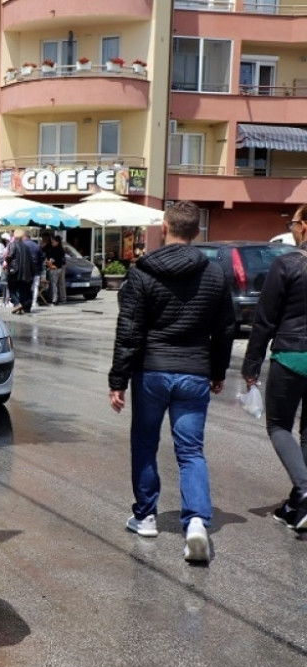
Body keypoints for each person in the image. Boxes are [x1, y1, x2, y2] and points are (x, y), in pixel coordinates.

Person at [108, 200, 235, 564]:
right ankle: (196, 521)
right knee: (191, 451)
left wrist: (118, 379)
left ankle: (146, 516)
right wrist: (217, 371)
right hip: (194, 372)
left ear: (165, 227)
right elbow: (225, 329)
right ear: (197, 232)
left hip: (151, 372)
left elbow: (129, 331)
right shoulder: (214, 274)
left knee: (145, 443)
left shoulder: (142, 272)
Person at [242, 204, 307, 530]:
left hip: (293, 354)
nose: (291, 228)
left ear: (305, 226)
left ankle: (305, 491)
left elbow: (264, 321)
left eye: (293, 222)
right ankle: (296, 505)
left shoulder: (287, 264)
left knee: (279, 426)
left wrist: (251, 365)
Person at [5, 229, 33, 314]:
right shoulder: (26, 247)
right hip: (25, 272)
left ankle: (17, 303)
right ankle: (23, 306)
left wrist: (6, 258)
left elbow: (10, 256)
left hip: (14, 271)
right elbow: (30, 259)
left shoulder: (12, 245)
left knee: (12, 288)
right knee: (23, 289)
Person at [44, 234, 67, 305]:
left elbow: (52, 259)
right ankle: (63, 298)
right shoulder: (61, 249)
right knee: (60, 284)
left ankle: (55, 299)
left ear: (57, 242)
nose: (52, 242)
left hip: (55, 268)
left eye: (53, 241)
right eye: (51, 241)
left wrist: (50, 260)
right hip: (60, 268)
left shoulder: (56, 250)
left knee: (54, 284)